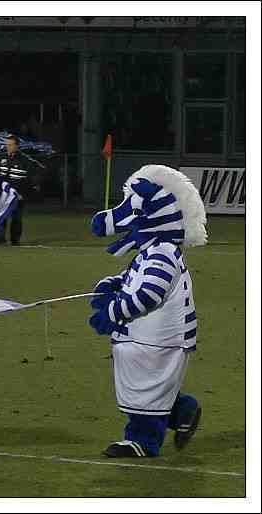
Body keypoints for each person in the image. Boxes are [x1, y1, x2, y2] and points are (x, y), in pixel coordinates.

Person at [88, 164, 207, 458]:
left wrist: (113, 312)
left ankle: (143, 440)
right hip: (148, 338)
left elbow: (149, 294)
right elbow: (135, 280)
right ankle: (183, 411)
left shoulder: (163, 254)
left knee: (147, 386)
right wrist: (112, 284)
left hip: (158, 339)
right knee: (149, 385)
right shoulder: (154, 251)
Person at [0, 134, 39, 246]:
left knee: (16, 217)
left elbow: (32, 176)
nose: (8, 147)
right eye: (7, 145)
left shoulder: (25, 160)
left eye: (11, 145)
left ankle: (15, 240)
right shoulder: (0, 157)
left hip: (18, 194)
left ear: (17, 146)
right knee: (1, 214)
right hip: (3, 193)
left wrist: (24, 192)